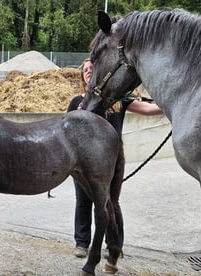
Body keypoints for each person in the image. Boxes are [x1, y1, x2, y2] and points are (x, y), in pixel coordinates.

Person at [67, 58, 163, 258]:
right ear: (82, 76)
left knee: (112, 202)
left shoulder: (118, 99)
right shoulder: (77, 102)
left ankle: (114, 244)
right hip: (83, 159)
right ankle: (82, 243)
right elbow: (65, 130)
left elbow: (147, 109)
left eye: (92, 68)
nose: (88, 71)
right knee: (83, 201)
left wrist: (169, 106)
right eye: (85, 69)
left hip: (112, 159)